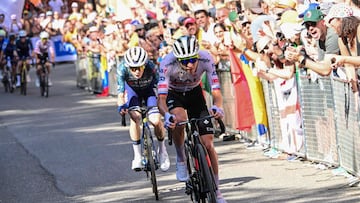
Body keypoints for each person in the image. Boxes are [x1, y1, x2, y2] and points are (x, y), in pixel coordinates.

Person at [157, 35, 226, 202]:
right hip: (175, 94)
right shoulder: (167, 63)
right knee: (179, 119)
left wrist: (218, 106)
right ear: (178, 59)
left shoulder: (206, 58)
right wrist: (166, 115)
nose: (190, 64)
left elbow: (216, 89)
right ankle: (181, 158)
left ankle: (217, 192)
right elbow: (161, 99)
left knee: (208, 144)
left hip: (195, 94)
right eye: (185, 61)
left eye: (192, 59)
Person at [116, 46, 170, 172]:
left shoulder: (151, 66)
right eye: (133, 68)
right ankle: (137, 156)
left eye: (139, 68)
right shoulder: (122, 68)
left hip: (148, 91)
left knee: (156, 120)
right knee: (135, 117)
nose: (136, 72)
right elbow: (120, 93)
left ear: (144, 64)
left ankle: (162, 151)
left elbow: (161, 86)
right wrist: (121, 106)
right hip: (132, 92)